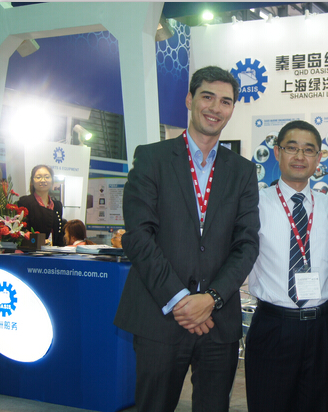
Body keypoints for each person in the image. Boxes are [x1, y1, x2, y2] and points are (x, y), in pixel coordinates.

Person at [113, 66, 260, 412]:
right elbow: (139, 236)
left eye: (226, 101)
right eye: (208, 97)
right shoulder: (152, 158)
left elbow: (246, 243)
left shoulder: (242, 171)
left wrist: (211, 298)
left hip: (217, 321)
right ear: (189, 100)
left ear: (232, 109)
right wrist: (181, 300)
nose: (215, 108)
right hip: (159, 315)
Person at [244, 120, 328, 412]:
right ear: (277, 152)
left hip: (321, 328)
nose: (300, 156)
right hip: (273, 326)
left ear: (319, 157)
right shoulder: (254, 205)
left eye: (309, 150)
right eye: (291, 148)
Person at [17, 164, 64, 246]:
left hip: (53, 251)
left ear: (52, 180)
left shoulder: (57, 205)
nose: (43, 180)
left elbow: (58, 233)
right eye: (38, 177)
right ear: (32, 181)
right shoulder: (25, 202)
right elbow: (22, 230)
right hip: (31, 250)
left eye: (47, 177)